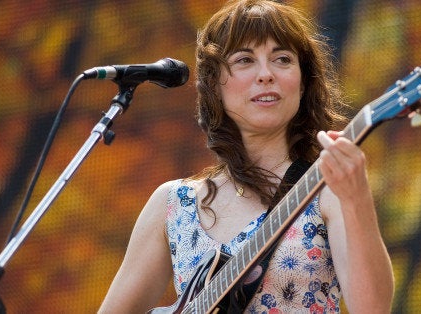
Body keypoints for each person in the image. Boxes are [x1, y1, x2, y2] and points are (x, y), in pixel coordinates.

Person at [98, 0, 394, 313]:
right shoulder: (173, 205)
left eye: (282, 59)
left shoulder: (327, 189)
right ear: (215, 85)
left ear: (303, 82)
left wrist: (357, 198)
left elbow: (373, 308)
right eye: (245, 60)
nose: (266, 74)